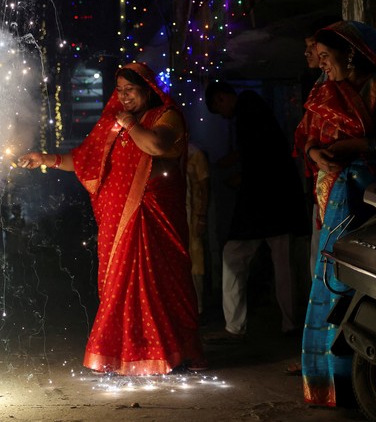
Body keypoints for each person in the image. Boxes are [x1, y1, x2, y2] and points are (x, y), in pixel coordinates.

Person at [18, 62, 205, 374]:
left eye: (130, 90)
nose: (124, 96)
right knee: (121, 286)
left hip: (153, 215)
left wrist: (130, 125)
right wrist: (45, 159)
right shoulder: (112, 123)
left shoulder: (166, 115)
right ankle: (127, 354)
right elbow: (82, 160)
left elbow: (156, 145)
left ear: (149, 89)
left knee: (161, 283)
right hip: (117, 220)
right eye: (119, 90)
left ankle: (173, 353)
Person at [295, 20, 376, 407]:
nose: (321, 65)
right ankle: (329, 378)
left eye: (325, 56)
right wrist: (316, 154)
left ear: (350, 53)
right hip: (332, 198)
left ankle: (358, 374)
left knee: (363, 282)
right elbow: (307, 141)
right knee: (330, 279)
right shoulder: (326, 93)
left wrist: (360, 145)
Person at [203, 82, 302, 344]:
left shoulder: (247, 111)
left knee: (237, 255)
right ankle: (290, 323)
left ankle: (237, 325)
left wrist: (240, 176)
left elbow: (257, 153)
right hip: (277, 197)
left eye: (218, 108)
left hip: (262, 199)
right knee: (282, 261)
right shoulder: (253, 108)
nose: (222, 115)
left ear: (222, 98)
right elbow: (259, 150)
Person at [185, 142, 209, 316]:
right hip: (178, 215)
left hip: (192, 217)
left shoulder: (194, 154)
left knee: (195, 263)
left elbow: (205, 186)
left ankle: (198, 308)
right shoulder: (169, 151)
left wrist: (202, 216)